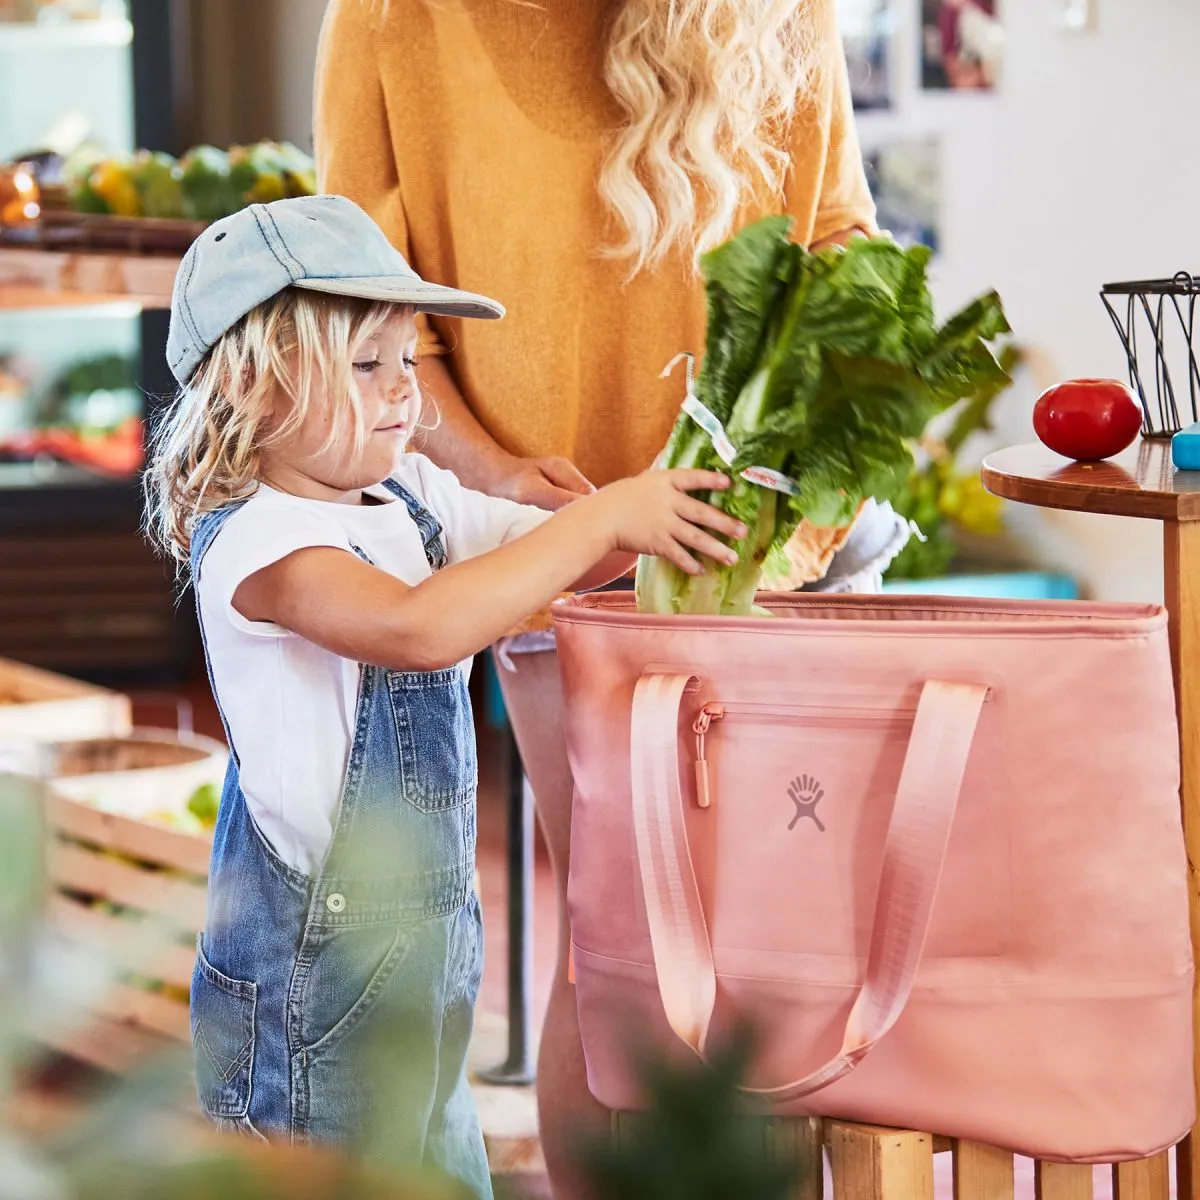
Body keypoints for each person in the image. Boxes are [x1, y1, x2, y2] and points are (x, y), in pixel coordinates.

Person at [314, 3, 907, 1194]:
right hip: (559, 560)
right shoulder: (395, 17)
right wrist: (509, 488)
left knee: (775, 955)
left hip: (768, 539)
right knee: (626, 938)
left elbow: (842, 240)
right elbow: (365, 300)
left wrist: (790, 497)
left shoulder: (780, 11)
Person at [143, 194, 745, 1199]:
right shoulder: (260, 542)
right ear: (254, 385)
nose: (399, 392)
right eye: (364, 365)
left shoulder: (404, 494)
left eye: (406, 361)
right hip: (309, 994)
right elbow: (421, 628)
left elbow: (524, 552)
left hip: (424, 966)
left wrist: (605, 519)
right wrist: (597, 526)